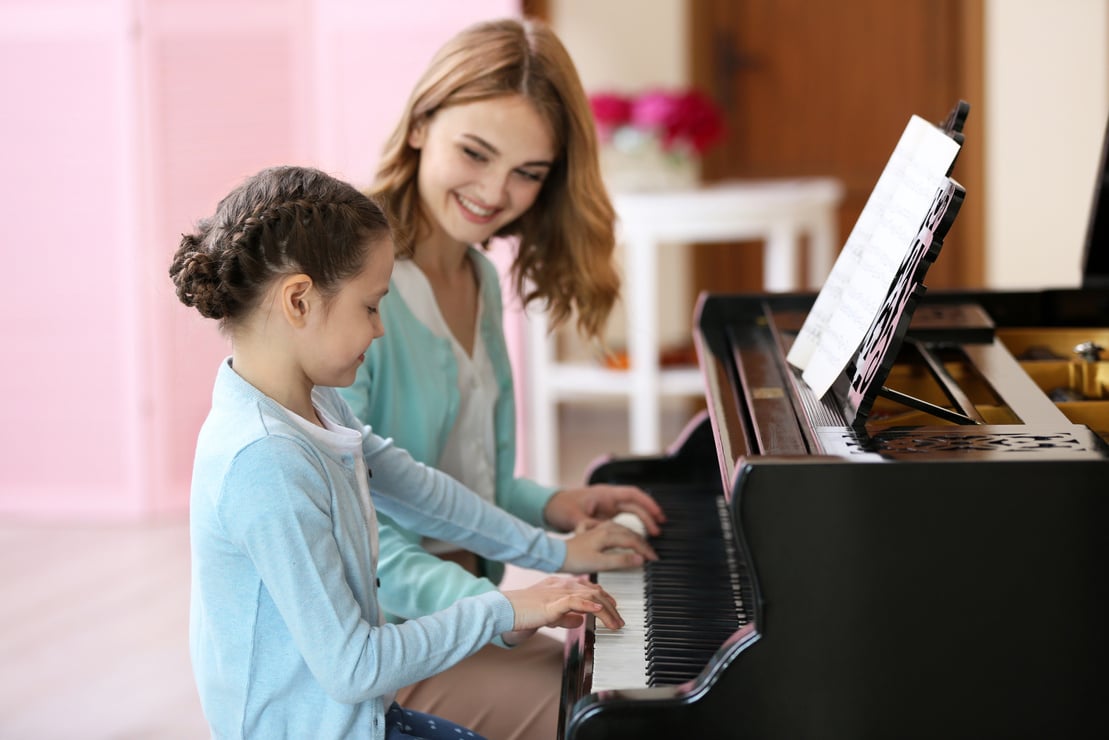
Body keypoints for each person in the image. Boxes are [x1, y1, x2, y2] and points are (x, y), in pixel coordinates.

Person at [169, 165, 656, 740]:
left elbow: (423, 491)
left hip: (363, 718)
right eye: (371, 307)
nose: (379, 330)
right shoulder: (266, 461)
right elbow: (353, 666)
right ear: (299, 300)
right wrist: (504, 610)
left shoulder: (316, 404)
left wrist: (555, 552)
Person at [338, 17, 666, 739]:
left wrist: (553, 505)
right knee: (616, 715)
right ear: (422, 123)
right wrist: (506, 608)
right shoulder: (350, 283)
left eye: (528, 173)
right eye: (475, 153)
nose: (494, 192)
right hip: (380, 641)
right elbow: (349, 531)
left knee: (634, 689)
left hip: (458, 617)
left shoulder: (478, 276)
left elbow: (460, 482)